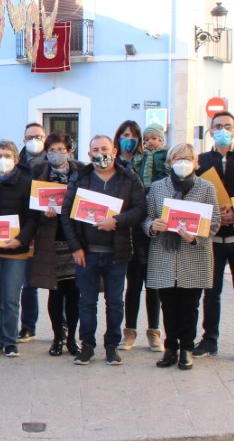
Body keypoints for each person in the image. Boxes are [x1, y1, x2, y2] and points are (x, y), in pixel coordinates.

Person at [59, 134, 146, 366]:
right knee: (86, 302)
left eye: (105, 148)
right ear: (89, 155)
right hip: (87, 252)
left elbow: (140, 209)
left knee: (115, 302)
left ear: (115, 151)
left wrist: (116, 221)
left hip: (117, 253)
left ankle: (111, 346)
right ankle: (87, 346)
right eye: (95, 150)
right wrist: (75, 247)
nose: (101, 153)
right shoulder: (80, 178)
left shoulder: (129, 178)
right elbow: (66, 214)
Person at [143, 144, 220, 370]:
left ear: (197, 163)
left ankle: (186, 348)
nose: (182, 162)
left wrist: (196, 236)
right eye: (177, 157)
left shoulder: (206, 188)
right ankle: (170, 347)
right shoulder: (157, 188)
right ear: (169, 162)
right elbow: (146, 217)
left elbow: (214, 222)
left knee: (190, 305)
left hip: (194, 252)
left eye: (188, 158)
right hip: (164, 254)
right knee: (168, 303)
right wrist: (152, 225)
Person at [195, 111, 234, 360]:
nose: (222, 130)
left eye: (227, 126)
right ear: (210, 131)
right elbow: (195, 196)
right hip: (212, 239)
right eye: (217, 126)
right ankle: (210, 340)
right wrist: (216, 216)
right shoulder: (201, 160)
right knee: (211, 292)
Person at [0, 140, 38, 357]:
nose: (3, 160)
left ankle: (10, 341)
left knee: (10, 298)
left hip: (16, 251)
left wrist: (20, 239)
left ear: (16, 159)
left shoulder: (27, 183)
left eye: (8, 156)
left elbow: (32, 218)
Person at [29, 132, 82, 357]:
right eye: (51, 150)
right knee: (56, 290)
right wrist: (44, 215)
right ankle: (57, 337)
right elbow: (30, 209)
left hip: (74, 240)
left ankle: (72, 338)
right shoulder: (38, 172)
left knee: (74, 291)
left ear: (70, 151)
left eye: (61, 149)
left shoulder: (81, 172)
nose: (56, 154)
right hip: (51, 239)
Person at [127, 122, 168, 351]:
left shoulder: (166, 160)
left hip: (157, 227)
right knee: (133, 285)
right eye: (146, 139)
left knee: (154, 285)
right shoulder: (137, 160)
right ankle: (129, 331)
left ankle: (154, 332)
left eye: (154, 138)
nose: (150, 142)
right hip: (135, 228)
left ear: (161, 140)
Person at [17, 122, 48, 343]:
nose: (34, 140)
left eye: (38, 136)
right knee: (28, 283)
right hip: (25, 228)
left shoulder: (54, 164)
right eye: (30, 137)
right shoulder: (15, 164)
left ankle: (63, 326)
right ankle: (28, 326)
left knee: (59, 281)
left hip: (50, 228)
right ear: (24, 140)